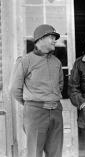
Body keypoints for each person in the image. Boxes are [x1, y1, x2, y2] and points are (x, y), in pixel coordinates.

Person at [9, 24, 64, 157]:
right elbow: (14, 89)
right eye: (51, 37)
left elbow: (60, 85)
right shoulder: (25, 61)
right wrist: (32, 104)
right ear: (40, 39)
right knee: (34, 152)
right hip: (35, 113)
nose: (54, 40)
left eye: (54, 38)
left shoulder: (56, 62)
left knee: (56, 153)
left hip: (56, 111)